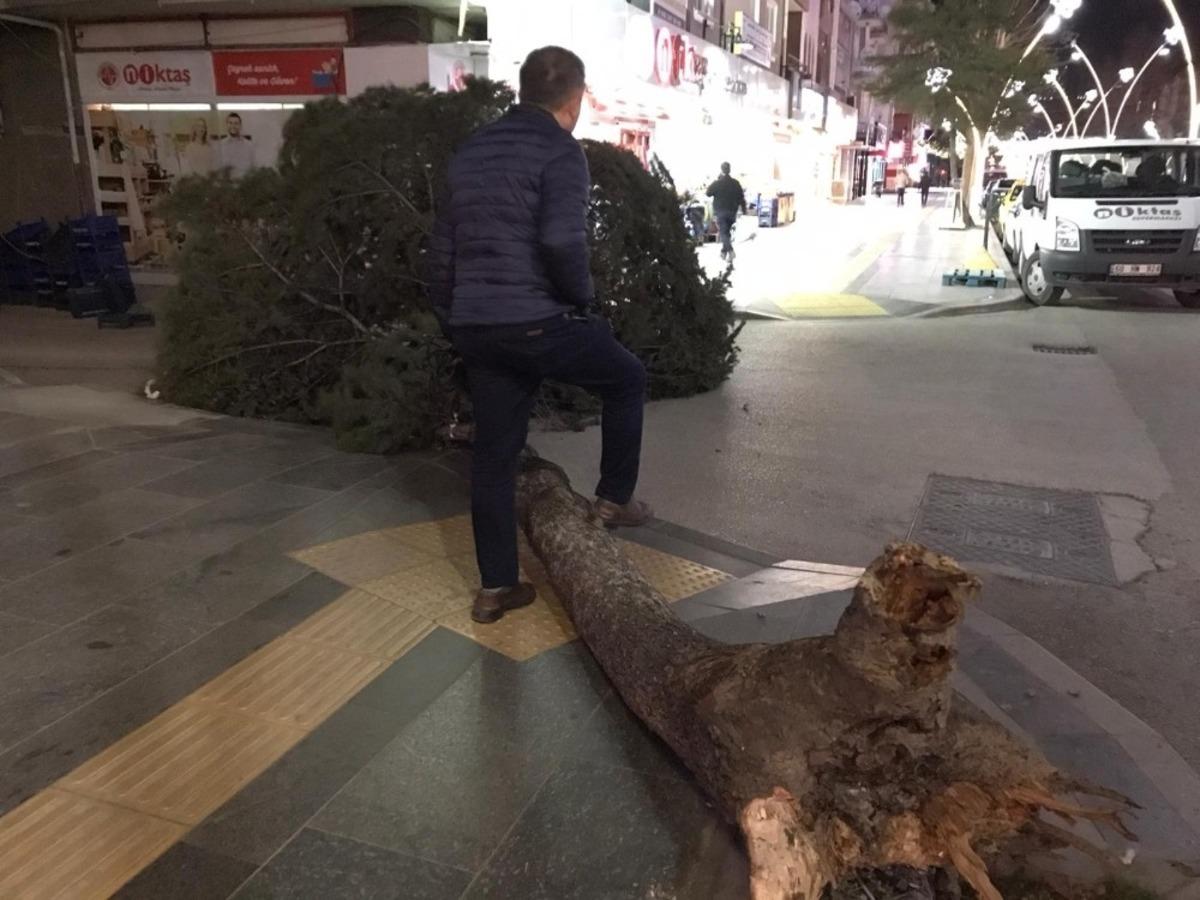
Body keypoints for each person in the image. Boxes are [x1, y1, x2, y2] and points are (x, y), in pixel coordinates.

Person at [426, 46, 652, 626]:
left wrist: (457, 320)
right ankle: (612, 498)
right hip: (537, 321)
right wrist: (581, 301)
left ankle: (496, 587)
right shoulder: (561, 151)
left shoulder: (471, 151)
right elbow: (560, 243)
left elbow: (442, 254)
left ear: (521, 90)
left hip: (478, 325)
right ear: (574, 99)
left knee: (494, 458)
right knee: (626, 378)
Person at [706, 162, 747, 262]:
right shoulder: (735, 183)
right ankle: (723, 252)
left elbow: (708, 193)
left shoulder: (717, 183)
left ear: (721, 170)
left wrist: (716, 181)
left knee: (723, 233)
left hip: (720, 212)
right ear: (730, 169)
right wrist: (744, 209)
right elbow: (741, 197)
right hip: (732, 212)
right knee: (726, 233)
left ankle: (731, 251)